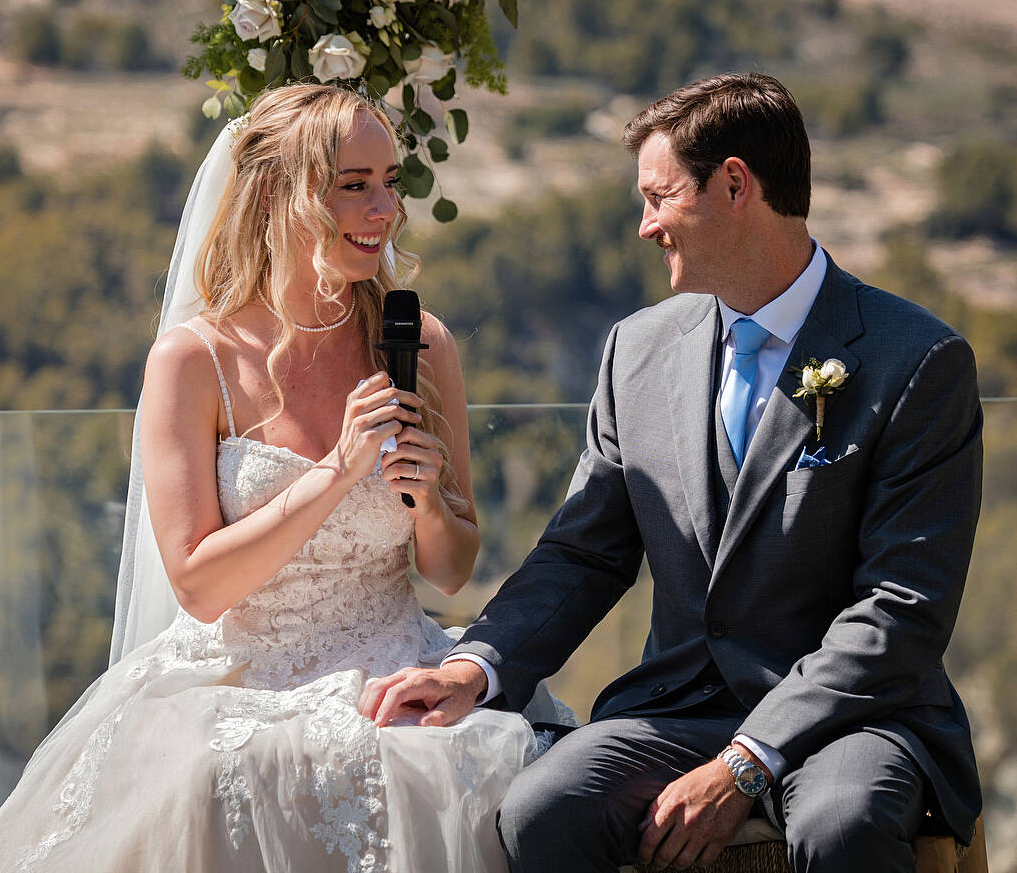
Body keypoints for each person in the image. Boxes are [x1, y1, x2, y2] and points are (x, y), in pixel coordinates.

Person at [362, 72, 984, 873]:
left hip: (856, 720)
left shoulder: (917, 360)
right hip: (680, 707)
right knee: (542, 810)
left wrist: (743, 763)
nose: (646, 226)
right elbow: (584, 553)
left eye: (659, 198)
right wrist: (470, 668)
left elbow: (903, 608)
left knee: (841, 823)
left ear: (734, 185)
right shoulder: (639, 349)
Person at [0, 84, 568, 873]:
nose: (385, 209)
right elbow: (199, 587)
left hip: (391, 665)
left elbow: (450, 570)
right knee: (219, 781)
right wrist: (339, 472)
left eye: (390, 181)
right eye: (354, 185)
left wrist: (427, 498)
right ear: (281, 196)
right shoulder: (192, 360)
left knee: (459, 769)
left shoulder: (421, 341)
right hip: (236, 680)